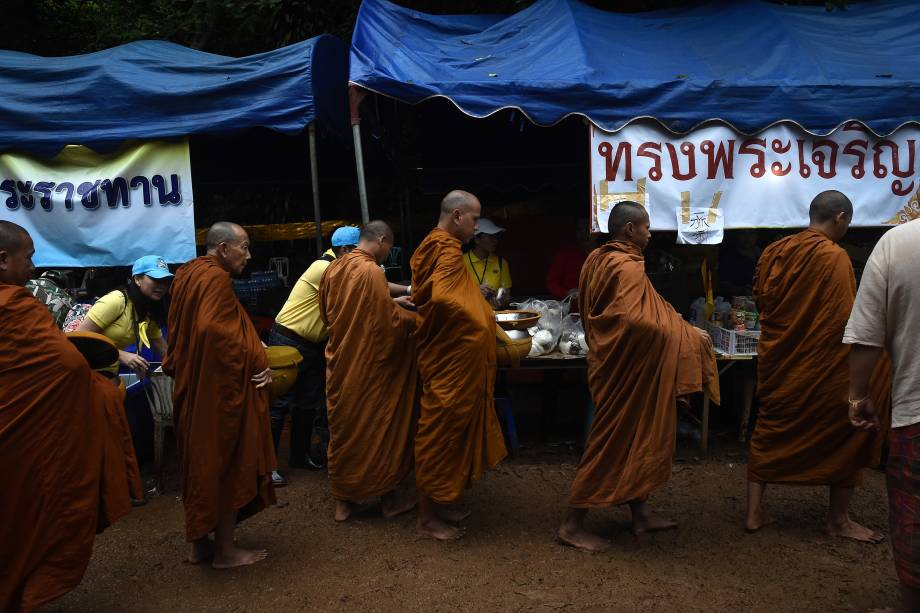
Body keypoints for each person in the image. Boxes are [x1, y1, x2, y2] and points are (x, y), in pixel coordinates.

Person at [557, 201, 719, 552]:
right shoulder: (624, 264)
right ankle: (571, 525)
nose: (650, 232)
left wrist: (674, 323)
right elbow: (636, 320)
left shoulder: (598, 259)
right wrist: (688, 333)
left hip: (619, 363)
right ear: (629, 230)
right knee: (611, 443)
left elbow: (620, 311)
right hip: (627, 370)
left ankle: (640, 514)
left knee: (639, 437)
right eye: (646, 226)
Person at [0, 221, 141, 611]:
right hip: (19, 437)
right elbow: (69, 366)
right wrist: (105, 396)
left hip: (13, 420)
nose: (32, 268)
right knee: (22, 517)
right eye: (27, 258)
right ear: (2, 259)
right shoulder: (16, 306)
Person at [745, 191, 887, 542]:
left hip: (781, 362)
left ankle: (753, 514)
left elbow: (761, 301)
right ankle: (838, 520)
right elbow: (844, 320)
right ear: (839, 218)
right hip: (821, 366)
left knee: (770, 427)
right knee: (849, 429)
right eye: (848, 223)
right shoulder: (833, 258)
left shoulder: (774, 251)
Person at [163, 221, 275, 569]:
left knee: (200, 460)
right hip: (219, 389)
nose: (248, 255)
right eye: (244, 247)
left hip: (195, 382)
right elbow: (215, 330)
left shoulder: (187, 274)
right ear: (224, 248)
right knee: (226, 458)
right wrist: (254, 359)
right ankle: (225, 551)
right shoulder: (215, 278)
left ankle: (199, 543)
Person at [411, 190, 507, 541]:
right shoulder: (444, 250)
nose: (475, 226)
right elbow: (443, 300)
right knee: (439, 432)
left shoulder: (439, 248)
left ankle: (442, 502)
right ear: (456, 216)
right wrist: (481, 323)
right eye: (473, 219)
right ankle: (426, 518)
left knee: (455, 430)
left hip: (454, 357)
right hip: (448, 359)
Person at [845, 217, 920, 611]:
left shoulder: (898, 242)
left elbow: (866, 332)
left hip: (917, 412)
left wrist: (858, 395)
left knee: (914, 513)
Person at [319, 220, 418, 522]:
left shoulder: (333, 268)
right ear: (382, 240)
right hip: (369, 368)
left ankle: (343, 503)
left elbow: (329, 314)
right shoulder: (371, 270)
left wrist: (391, 303)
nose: (388, 254)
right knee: (380, 428)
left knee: (345, 432)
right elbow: (386, 324)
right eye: (389, 247)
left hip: (341, 365)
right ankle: (389, 501)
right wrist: (418, 320)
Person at [268, 226, 360, 487]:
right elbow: (363, 291)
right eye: (357, 254)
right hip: (288, 338)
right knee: (279, 405)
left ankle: (300, 456)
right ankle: (267, 467)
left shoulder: (337, 266)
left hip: (312, 344)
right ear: (344, 250)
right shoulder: (326, 268)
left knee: (307, 403)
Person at [77, 255, 171, 378]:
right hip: (84, 372)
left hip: (109, 374)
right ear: (137, 279)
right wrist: (121, 355)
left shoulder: (149, 310)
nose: (162, 285)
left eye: (165, 281)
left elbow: (163, 350)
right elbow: (80, 338)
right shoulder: (117, 300)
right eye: (155, 279)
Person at [463, 218, 512, 308]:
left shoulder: (501, 263)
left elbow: (506, 295)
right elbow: (450, 294)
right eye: (490, 236)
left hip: (494, 317)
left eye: (496, 236)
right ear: (477, 239)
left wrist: (500, 298)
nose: (495, 240)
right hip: (469, 318)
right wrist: (475, 290)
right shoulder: (460, 262)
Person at [545, 219, 593, 301]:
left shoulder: (604, 254)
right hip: (569, 306)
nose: (583, 234)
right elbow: (551, 283)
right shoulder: (565, 253)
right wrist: (566, 293)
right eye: (579, 230)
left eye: (586, 230)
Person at [718, 229, 762, 297]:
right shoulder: (729, 257)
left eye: (751, 233)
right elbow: (725, 285)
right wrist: (742, 290)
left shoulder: (764, 255)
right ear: (737, 235)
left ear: (757, 235)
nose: (747, 237)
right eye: (743, 233)